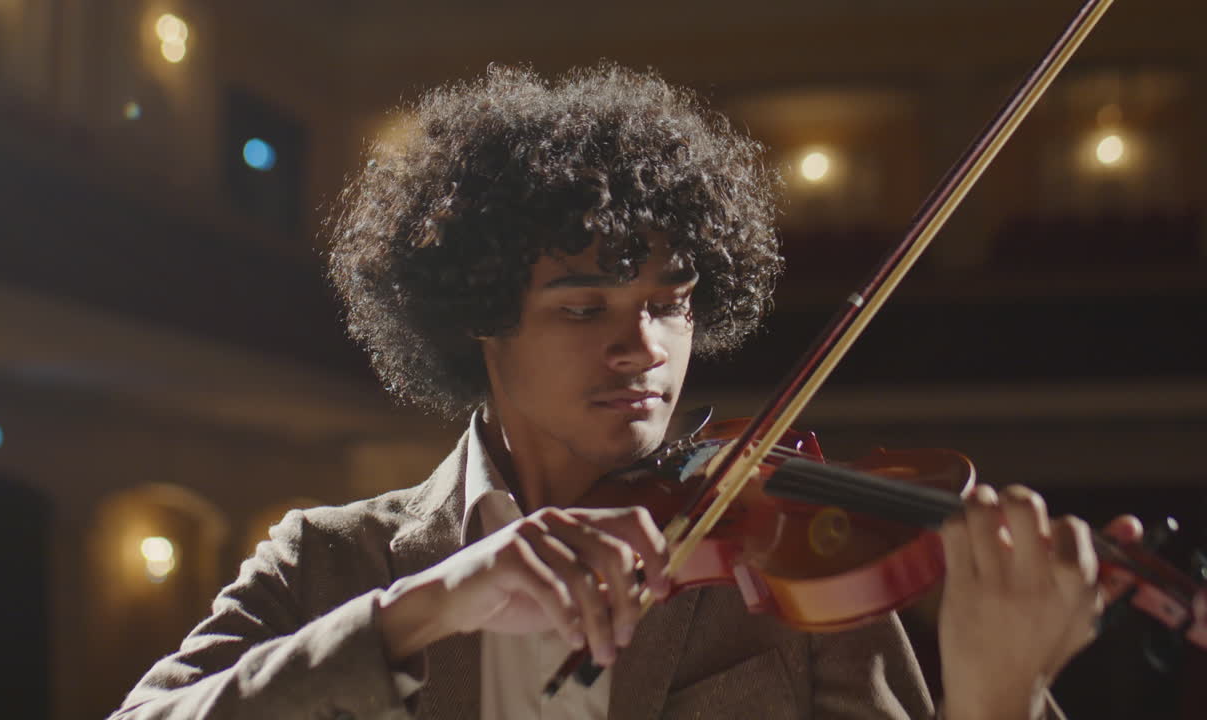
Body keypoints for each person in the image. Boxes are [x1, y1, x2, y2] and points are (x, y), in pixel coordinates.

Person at [110, 63, 1139, 720]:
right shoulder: (332, 560)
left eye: (668, 302)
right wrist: (425, 609)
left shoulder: (789, 581)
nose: (640, 347)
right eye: (581, 307)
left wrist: (999, 698)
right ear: (476, 318)